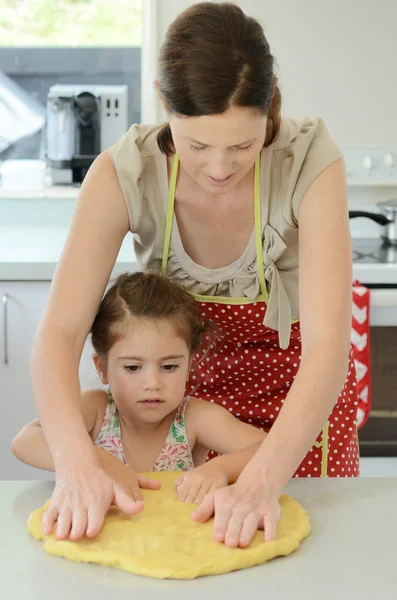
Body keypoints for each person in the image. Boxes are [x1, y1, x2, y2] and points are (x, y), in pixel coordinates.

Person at [28, 2, 359, 549]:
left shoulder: (310, 161)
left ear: (270, 106)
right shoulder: (122, 172)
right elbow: (59, 334)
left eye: (244, 146)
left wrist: (259, 481)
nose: (220, 168)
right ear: (164, 100)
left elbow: (328, 346)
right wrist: (75, 460)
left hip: (299, 405)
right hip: (189, 406)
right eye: (198, 145)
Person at [13, 271, 265, 520]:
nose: (152, 384)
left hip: (174, 547)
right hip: (102, 542)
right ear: (102, 368)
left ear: (189, 366)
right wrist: (94, 459)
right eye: (133, 368)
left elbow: (268, 448)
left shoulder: (194, 418)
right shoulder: (98, 410)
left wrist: (220, 469)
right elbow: (24, 441)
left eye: (169, 367)